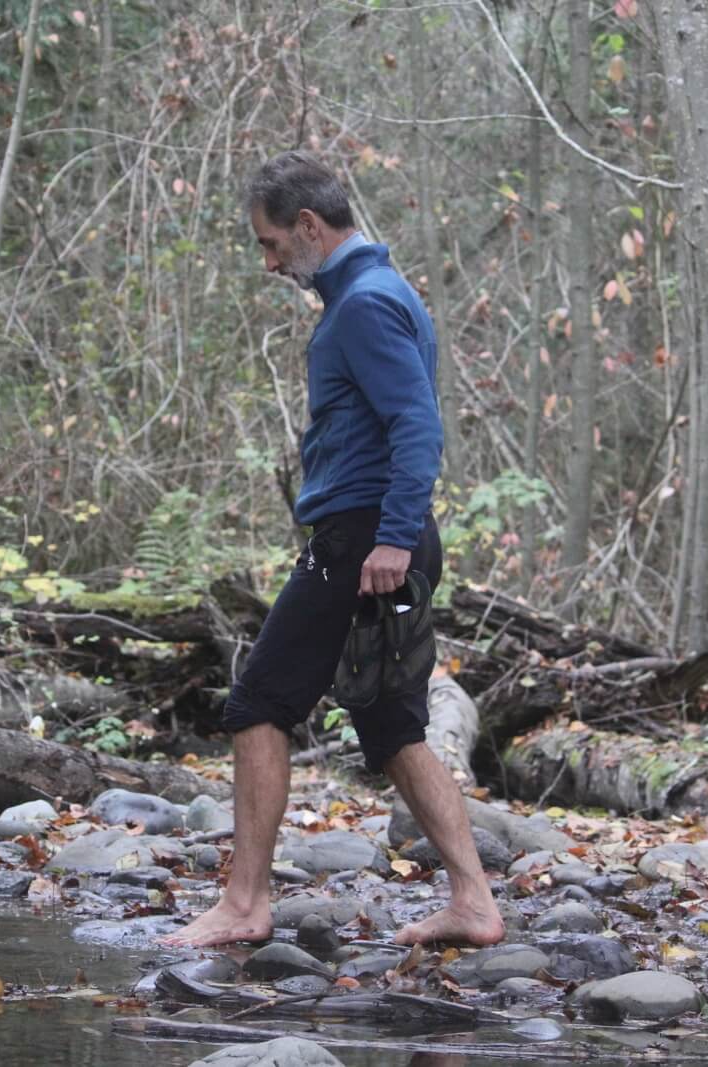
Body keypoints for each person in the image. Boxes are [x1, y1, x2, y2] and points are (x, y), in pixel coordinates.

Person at [161, 151, 504, 949]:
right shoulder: (376, 295)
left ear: (310, 226)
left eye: (273, 244)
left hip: (364, 537)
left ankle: (245, 903)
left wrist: (386, 538)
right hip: (376, 534)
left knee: (258, 704)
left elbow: (417, 427)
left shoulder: (365, 306)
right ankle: (475, 901)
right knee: (393, 730)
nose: (270, 262)